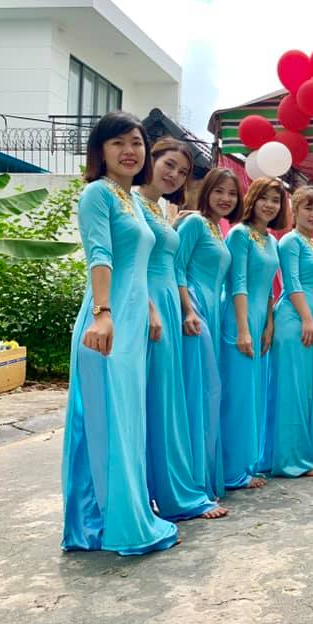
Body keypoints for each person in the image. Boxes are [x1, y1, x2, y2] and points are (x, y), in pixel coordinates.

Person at [61, 111, 178, 555]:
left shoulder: (131, 199)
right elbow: (100, 255)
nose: (130, 151)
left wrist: (149, 309)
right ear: (100, 150)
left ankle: (124, 514)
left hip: (132, 326)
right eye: (118, 143)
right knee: (103, 423)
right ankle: (100, 524)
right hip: (107, 327)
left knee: (126, 422)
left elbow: (139, 267)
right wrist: (103, 313)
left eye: (136, 143)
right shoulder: (97, 193)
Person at [136, 138, 227, 521]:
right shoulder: (132, 202)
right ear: (150, 160)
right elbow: (129, 262)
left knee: (168, 402)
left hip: (169, 308)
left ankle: (172, 489)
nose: (174, 175)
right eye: (168, 165)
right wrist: (153, 308)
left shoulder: (158, 209)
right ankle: (162, 494)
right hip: (151, 308)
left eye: (183, 171)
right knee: (154, 402)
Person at [175, 168, 241, 501]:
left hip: (212, 314)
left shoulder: (217, 228)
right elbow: (176, 268)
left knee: (209, 393)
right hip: (195, 311)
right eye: (219, 191)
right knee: (201, 392)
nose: (225, 198)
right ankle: (193, 484)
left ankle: (206, 478)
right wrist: (188, 310)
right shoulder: (195, 224)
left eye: (232, 193)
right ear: (206, 192)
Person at [219, 177, 286, 489]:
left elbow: (269, 287)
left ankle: (247, 463)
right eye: (264, 198)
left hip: (260, 321)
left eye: (276, 200)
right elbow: (238, 283)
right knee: (237, 396)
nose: (270, 205)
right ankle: (231, 471)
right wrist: (244, 329)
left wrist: (269, 324)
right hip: (238, 319)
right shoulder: (239, 234)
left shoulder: (270, 240)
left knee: (254, 394)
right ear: (252, 199)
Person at [263, 186, 313, 478]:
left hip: (306, 320)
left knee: (303, 390)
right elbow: (291, 283)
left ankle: (301, 456)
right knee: (291, 390)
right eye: (308, 208)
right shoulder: (291, 241)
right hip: (294, 320)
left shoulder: (310, 242)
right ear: (295, 210)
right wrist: (307, 319)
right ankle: (290, 461)